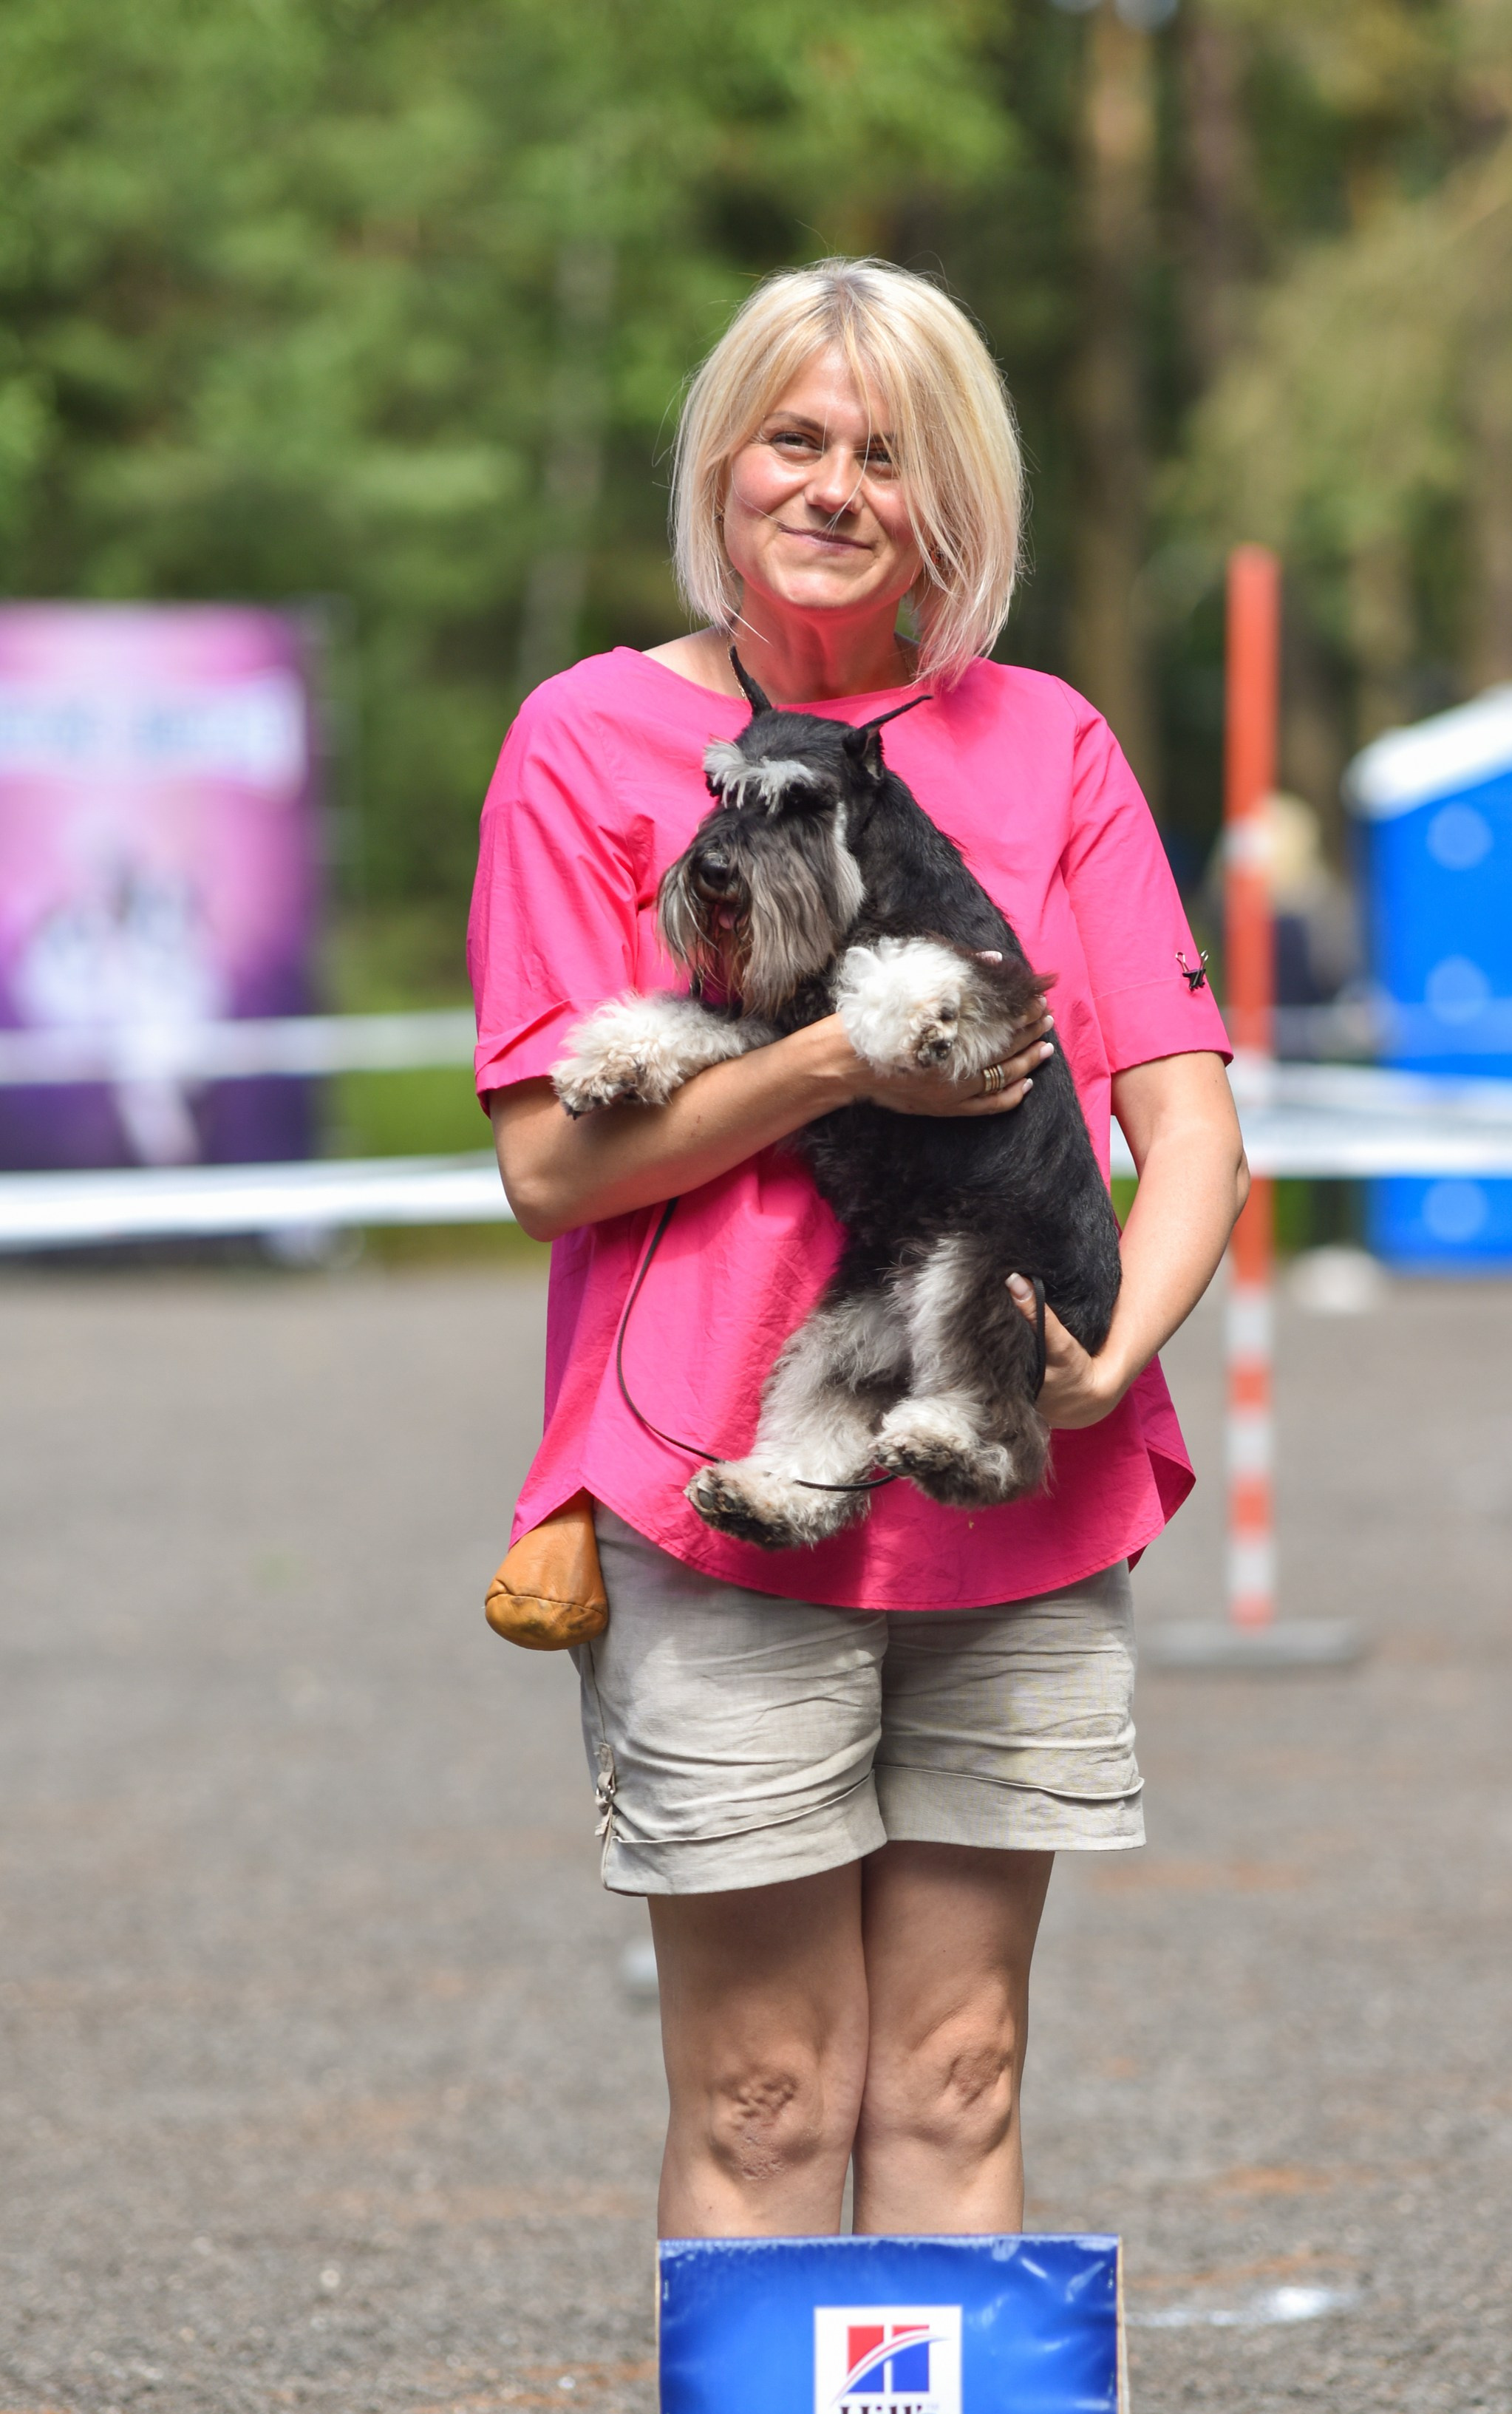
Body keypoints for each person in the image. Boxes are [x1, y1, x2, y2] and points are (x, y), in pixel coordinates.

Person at [473, 258, 1246, 2243]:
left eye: (884, 458)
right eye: (793, 441)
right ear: (722, 466)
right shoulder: (583, 740)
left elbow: (1189, 1126)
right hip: (716, 1486)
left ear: (949, 501)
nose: (830, 488)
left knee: (959, 2078)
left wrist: (1106, 1352)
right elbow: (557, 1166)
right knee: (761, 2099)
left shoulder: (1049, 743)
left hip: (1022, 1487)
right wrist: (839, 1057)